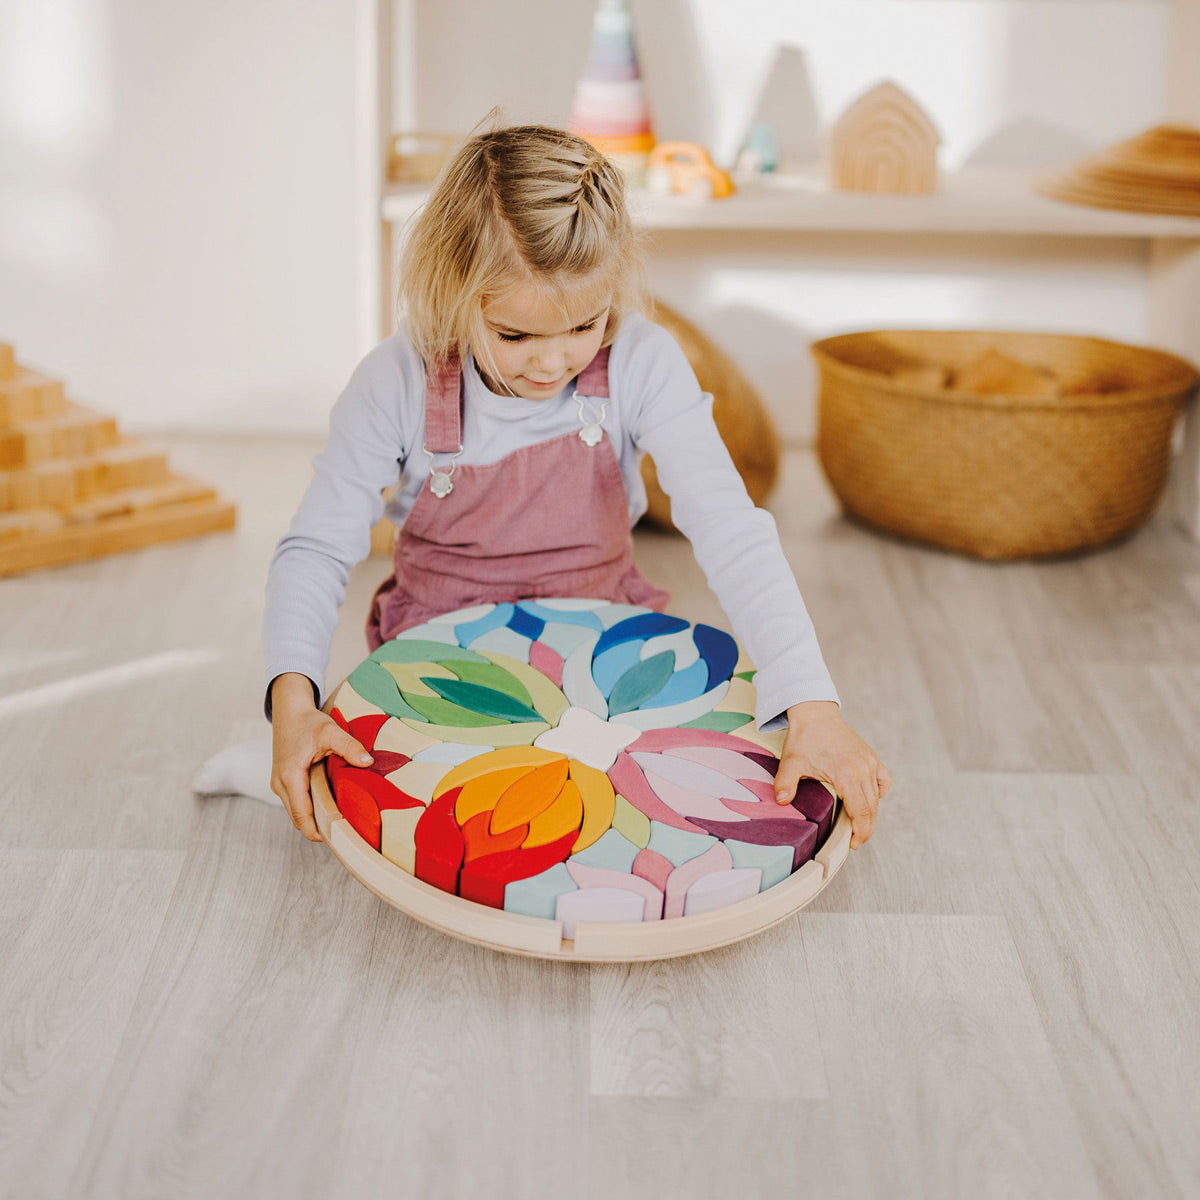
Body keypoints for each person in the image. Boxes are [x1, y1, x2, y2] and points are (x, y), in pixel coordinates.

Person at [261, 118, 892, 850]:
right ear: (450, 288)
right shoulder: (398, 379)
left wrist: (812, 706)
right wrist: (292, 702)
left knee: (650, 816)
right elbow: (315, 547)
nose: (551, 363)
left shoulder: (642, 361)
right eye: (514, 335)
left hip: (606, 640)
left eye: (583, 325)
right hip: (438, 650)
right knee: (479, 828)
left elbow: (731, 529)